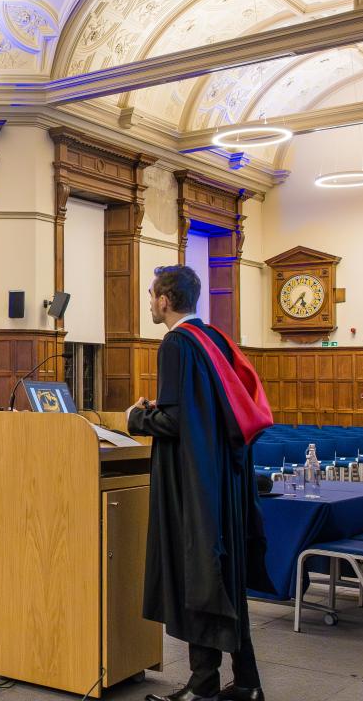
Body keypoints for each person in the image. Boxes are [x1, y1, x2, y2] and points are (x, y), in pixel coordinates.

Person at [128, 265, 272, 701]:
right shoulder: (215, 340)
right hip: (222, 478)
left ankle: (203, 684)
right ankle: (246, 683)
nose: (150, 302)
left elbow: (174, 419)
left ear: (166, 301)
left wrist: (138, 417)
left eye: (152, 294)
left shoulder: (176, 343)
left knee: (199, 573)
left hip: (191, 480)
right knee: (222, 574)